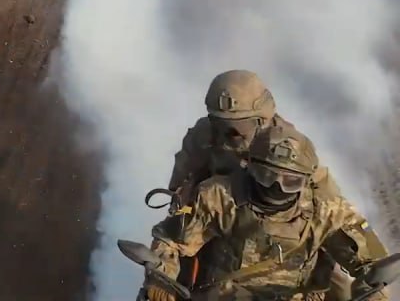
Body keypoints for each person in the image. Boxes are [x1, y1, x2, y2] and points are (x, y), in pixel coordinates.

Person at [144, 125, 390, 301]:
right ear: (250, 168)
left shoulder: (327, 209)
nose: (276, 187)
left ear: (305, 181)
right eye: (267, 176)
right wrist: (161, 278)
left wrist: (374, 291)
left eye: (289, 182)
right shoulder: (218, 194)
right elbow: (171, 240)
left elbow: (372, 262)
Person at [165, 70, 350, 297]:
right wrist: (184, 209)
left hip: (283, 227)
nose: (226, 133)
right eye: (219, 123)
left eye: (236, 127)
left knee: (336, 283)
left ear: (261, 119)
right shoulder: (204, 136)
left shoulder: (286, 144)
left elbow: (321, 194)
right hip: (220, 218)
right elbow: (182, 182)